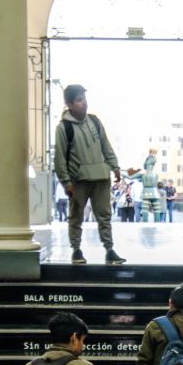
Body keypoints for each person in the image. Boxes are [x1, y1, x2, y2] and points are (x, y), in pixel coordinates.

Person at [53, 84, 126, 265]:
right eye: (79, 100)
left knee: (104, 215)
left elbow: (106, 146)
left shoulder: (94, 121)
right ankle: (76, 250)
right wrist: (66, 182)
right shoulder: (64, 128)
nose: (84, 104)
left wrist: (115, 167)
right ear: (69, 104)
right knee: (76, 217)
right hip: (79, 180)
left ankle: (109, 250)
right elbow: (60, 158)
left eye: (84, 100)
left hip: (101, 177)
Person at [138, 151, 164, 222]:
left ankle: (146, 224)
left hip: (146, 191)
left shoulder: (143, 173)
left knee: (145, 210)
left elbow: (131, 177)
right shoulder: (155, 173)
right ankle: (157, 224)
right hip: (154, 192)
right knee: (156, 209)